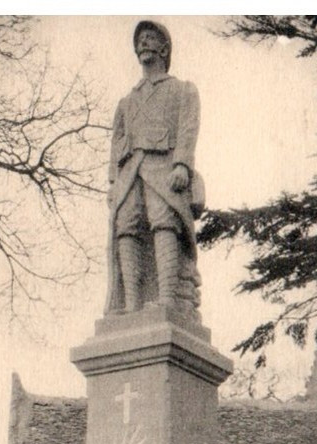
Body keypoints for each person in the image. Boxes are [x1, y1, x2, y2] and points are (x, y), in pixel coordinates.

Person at [105, 20, 204, 318]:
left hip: (164, 167)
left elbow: (188, 128)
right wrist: (112, 183)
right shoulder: (126, 101)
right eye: (141, 40)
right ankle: (131, 303)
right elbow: (116, 142)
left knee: (164, 222)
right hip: (130, 171)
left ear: (164, 48)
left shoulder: (182, 90)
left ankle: (167, 298)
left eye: (150, 38)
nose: (144, 43)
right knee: (126, 225)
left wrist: (182, 165)